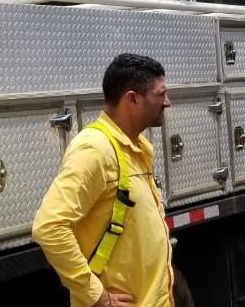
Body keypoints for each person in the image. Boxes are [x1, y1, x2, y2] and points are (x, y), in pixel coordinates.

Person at [33, 53, 173, 307]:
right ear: (132, 99)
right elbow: (49, 227)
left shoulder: (138, 147)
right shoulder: (95, 149)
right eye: (160, 94)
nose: (167, 102)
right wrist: (96, 297)